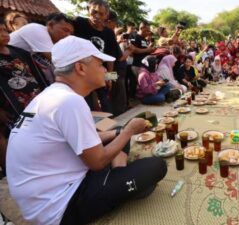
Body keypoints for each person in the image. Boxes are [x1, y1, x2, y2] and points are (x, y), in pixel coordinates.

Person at [6, 36, 167, 225]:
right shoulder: (69, 101)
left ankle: (117, 178)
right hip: (60, 206)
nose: (105, 70)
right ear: (80, 68)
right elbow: (97, 162)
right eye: (100, 64)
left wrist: (120, 131)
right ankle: (117, 181)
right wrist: (129, 131)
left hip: (47, 194)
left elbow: (83, 140)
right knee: (157, 166)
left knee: (116, 131)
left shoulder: (53, 95)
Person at [0, 18, 46, 176]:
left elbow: (37, 74)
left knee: (42, 135)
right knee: (22, 140)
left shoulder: (19, 52)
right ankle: (20, 172)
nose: (4, 34)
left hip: (37, 102)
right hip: (13, 108)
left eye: (5, 30)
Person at [73, 0, 123, 113]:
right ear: (87, 10)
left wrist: (110, 78)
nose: (97, 16)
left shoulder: (109, 33)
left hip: (100, 72)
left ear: (106, 15)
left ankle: (110, 124)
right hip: (80, 73)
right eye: (94, 12)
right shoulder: (78, 23)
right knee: (86, 103)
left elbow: (112, 57)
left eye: (101, 14)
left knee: (105, 100)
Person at [9, 13, 74, 84]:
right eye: (65, 30)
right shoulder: (36, 29)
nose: (68, 35)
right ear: (51, 25)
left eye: (70, 33)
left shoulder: (52, 41)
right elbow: (58, 60)